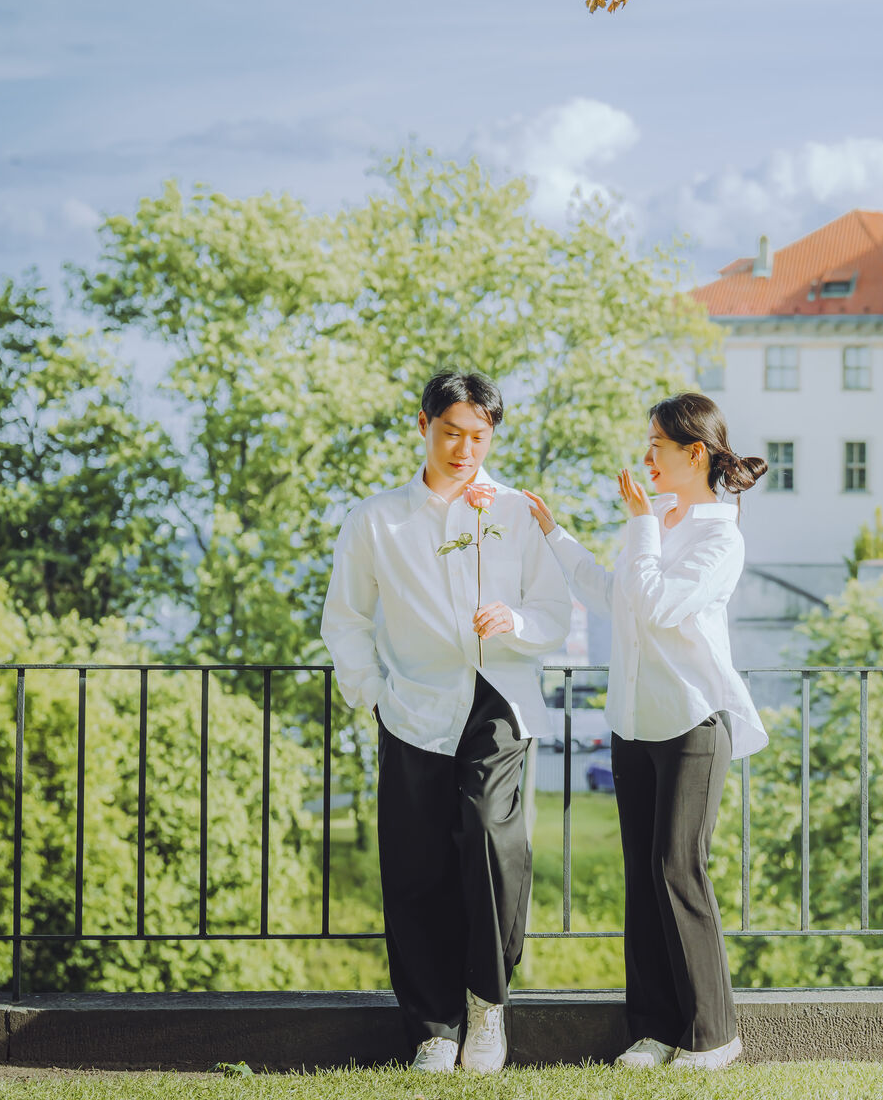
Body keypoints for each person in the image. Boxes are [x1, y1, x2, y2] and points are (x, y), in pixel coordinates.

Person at [321, 369, 572, 1074]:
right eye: (452, 432)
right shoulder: (376, 520)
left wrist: (514, 620)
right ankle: (434, 1029)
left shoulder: (515, 511)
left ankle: (487, 1006)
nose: (465, 448)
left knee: (495, 843)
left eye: (479, 436)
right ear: (423, 424)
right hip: (413, 706)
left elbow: (553, 615)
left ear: (493, 435)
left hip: (499, 696)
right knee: (416, 865)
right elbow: (344, 619)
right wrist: (370, 693)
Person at [523, 391, 768, 1071]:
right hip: (635, 724)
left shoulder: (719, 535)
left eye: (656, 445)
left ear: (695, 453)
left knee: (676, 869)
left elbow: (656, 605)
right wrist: (554, 533)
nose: (645, 458)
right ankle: (656, 1030)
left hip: (693, 723)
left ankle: (713, 1034)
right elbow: (612, 594)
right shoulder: (658, 518)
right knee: (644, 879)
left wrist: (640, 524)